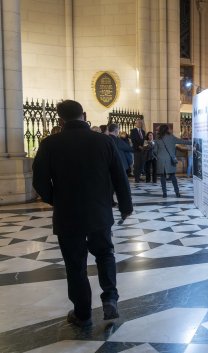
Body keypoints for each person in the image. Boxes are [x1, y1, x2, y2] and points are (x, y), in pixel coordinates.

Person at [32, 100, 133, 328]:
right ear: (84, 115)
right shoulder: (104, 141)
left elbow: (39, 180)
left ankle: (83, 313)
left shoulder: (50, 144)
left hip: (68, 214)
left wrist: (55, 199)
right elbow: (120, 176)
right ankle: (109, 299)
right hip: (99, 211)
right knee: (105, 253)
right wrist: (125, 206)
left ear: (60, 119)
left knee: (75, 264)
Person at [153, 124, 190, 197]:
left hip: (161, 159)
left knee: (162, 177)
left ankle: (164, 194)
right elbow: (182, 141)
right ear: (167, 130)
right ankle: (177, 193)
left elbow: (155, 150)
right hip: (170, 159)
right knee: (173, 176)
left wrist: (157, 155)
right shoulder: (171, 137)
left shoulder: (158, 138)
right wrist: (193, 142)